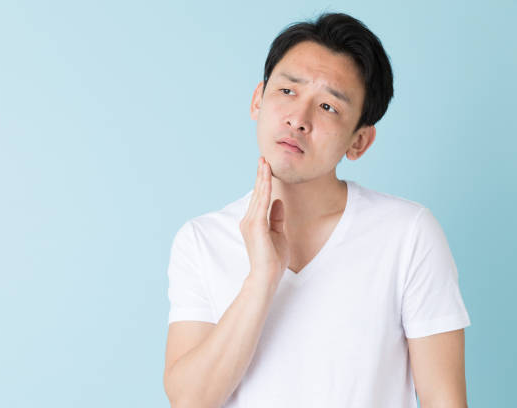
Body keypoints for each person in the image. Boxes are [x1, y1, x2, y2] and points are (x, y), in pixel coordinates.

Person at [163, 12, 471, 408]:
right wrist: (262, 279)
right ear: (258, 99)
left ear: (359, 141)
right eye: (288, 92)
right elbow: (189, 400)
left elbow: (444, 400)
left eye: (328, 106)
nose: (298, 119)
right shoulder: (201, 240)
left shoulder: (408, 234)